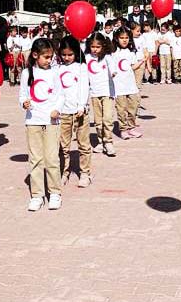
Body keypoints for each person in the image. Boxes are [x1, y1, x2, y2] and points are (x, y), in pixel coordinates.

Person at [19, 38, 63, 211]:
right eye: (46, 57)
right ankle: (37, 195)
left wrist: (57, 109)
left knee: (52, 158)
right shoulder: (26, 73)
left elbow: (61, 95)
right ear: (35, 55)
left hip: (52, 121)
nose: (49, 60)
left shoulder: (55, 72)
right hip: (33, 121)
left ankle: (55, 193)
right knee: (35, 159)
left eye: (51, 56)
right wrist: (24, 103)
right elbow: (22, 95)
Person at [57, 36, 92, 188]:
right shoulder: (57, 68)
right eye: (64, 54)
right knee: (63, 146)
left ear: (76, 53)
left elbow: (84, 87)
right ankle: (63, 172)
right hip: (63, 113)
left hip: (79, 112)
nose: (67, 58)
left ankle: (85, 173)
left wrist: (81, 105)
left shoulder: (81, 67)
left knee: (83, 144)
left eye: (70, 54)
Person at [86, 32, 117, 157]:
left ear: (103, 46)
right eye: (93, 47)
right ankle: (100, 141)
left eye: (98, 47)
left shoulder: (107, 57)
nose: (95, 49)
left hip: (107, 92)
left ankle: (108, 141)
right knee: (98, 120)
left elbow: (112, 66)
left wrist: (113, 72)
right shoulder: (87, 57)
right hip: (94, 93)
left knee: (107, 118)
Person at [112, 28, 143, 139]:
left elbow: (132, 67)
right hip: (119, 87)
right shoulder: (113, 53)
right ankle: (123, 129)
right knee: (121, 109)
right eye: (121, 38)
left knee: (133, 107)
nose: (124, 40)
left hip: (131, 86)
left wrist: (140, 62)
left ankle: (131, 127)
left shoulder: (131, 52)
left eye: (126, 38)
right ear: (116, 39)